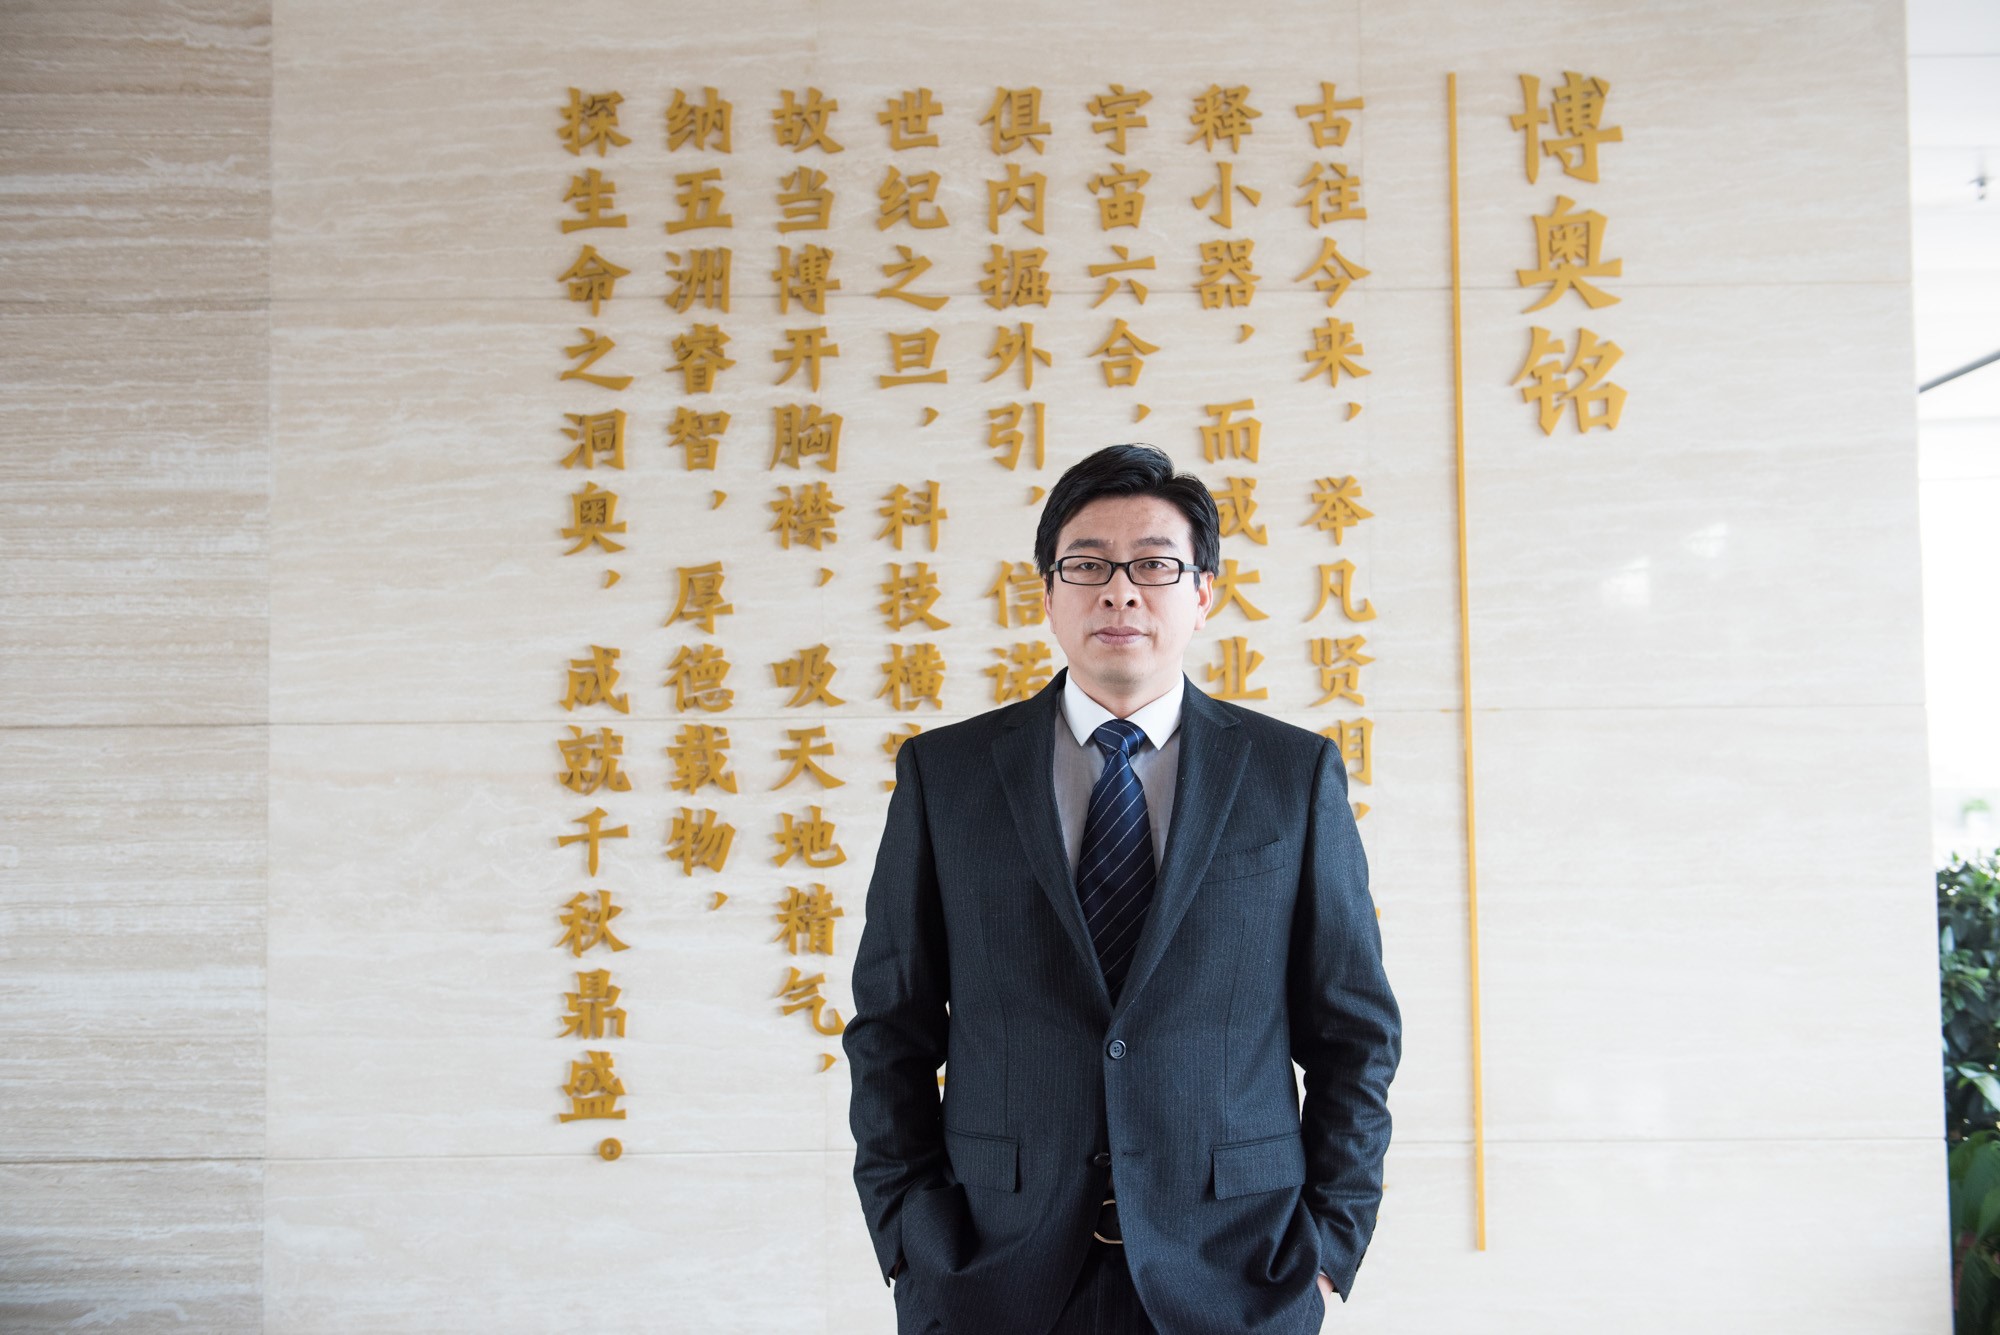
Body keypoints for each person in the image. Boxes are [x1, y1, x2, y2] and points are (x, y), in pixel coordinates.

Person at [844, 444, 1400, 1335]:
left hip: (1236, 1270)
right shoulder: (945, 775)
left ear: (1203, 592)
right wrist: (909, 1235)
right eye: (1088, 565)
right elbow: (890, 1026)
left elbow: (1354, 1031)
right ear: (1048, 592)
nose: (1120, 592)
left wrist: (1329, 1247)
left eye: (1153, 564)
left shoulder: (1290, 775)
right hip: (992, 1272)